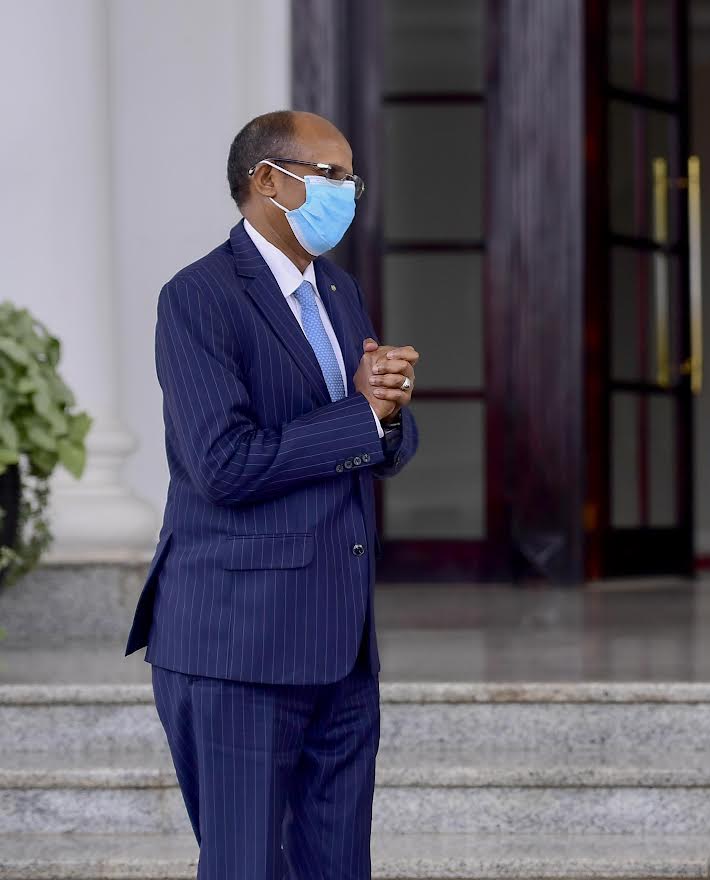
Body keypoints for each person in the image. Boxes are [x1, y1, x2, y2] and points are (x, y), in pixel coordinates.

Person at [125, 110, 420, 878]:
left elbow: (369, 439)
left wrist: (387, 412)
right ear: (267, 180)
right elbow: (223, 464)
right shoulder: (198, 297)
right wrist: (360, 414)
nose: (347, 193)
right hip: (239, 644)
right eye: (331, 176)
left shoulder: (340, 290)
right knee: (247, 866)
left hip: (341, 646)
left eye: (352, 180)